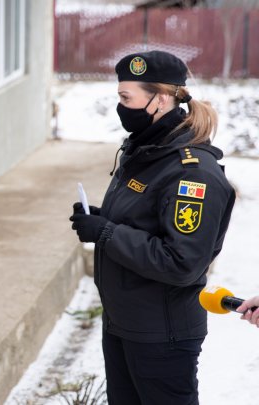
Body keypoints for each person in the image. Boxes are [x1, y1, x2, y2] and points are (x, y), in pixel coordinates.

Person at [69, 50, 235, 404]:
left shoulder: (192, 173)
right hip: (125, 322)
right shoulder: (146, 151)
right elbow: (145, 220)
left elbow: (182, 262)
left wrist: (106, 233)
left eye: (126, 98)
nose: (121, 107)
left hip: (161, 336)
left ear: (160, 100)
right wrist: (103, 218)